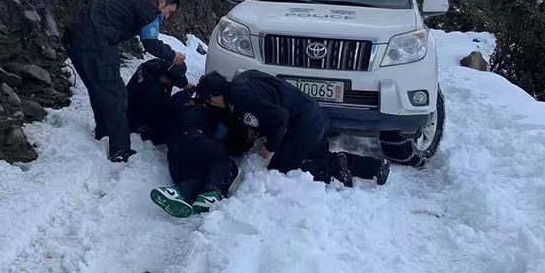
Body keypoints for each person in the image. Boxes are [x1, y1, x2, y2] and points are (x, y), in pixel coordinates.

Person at [196, 70, 390, 187]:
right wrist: (261, 127)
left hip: (304, 124)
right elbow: (271, 102)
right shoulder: (242, 80)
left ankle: (330, 175)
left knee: (284, 170)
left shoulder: (240, 101)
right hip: (311, 112)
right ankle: (373, 167)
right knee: (313, 154)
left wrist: (270, 146)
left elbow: (280, 117)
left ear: (213, 98)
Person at [63, 0, 184, 162]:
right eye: (169, 12)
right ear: (163, 2)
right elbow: (151, 43)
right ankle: (119, 149)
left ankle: (104, 132)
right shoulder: (150, 9)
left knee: (98, 88)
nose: (167, 17)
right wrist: (173, 56)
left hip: (74, 36)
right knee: (116, 94)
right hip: (97, 42)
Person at [150, 90, 240, 218]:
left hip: (175, 159)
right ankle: (212, 192)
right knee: (226, 163)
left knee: (203, 177)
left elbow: (157, 132)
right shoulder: (209, 111)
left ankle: (178, 192)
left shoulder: (177, 102)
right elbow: (225, 137)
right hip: (198, 142)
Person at [126, 58, 188, 146]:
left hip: (130, 99)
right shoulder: (154, 91)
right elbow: (163, 111)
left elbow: (175, 74)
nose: (171, 84)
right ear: (164, 77)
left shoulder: (157, 64)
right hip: (134, 115)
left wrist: (185, 85)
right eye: (171, 82)